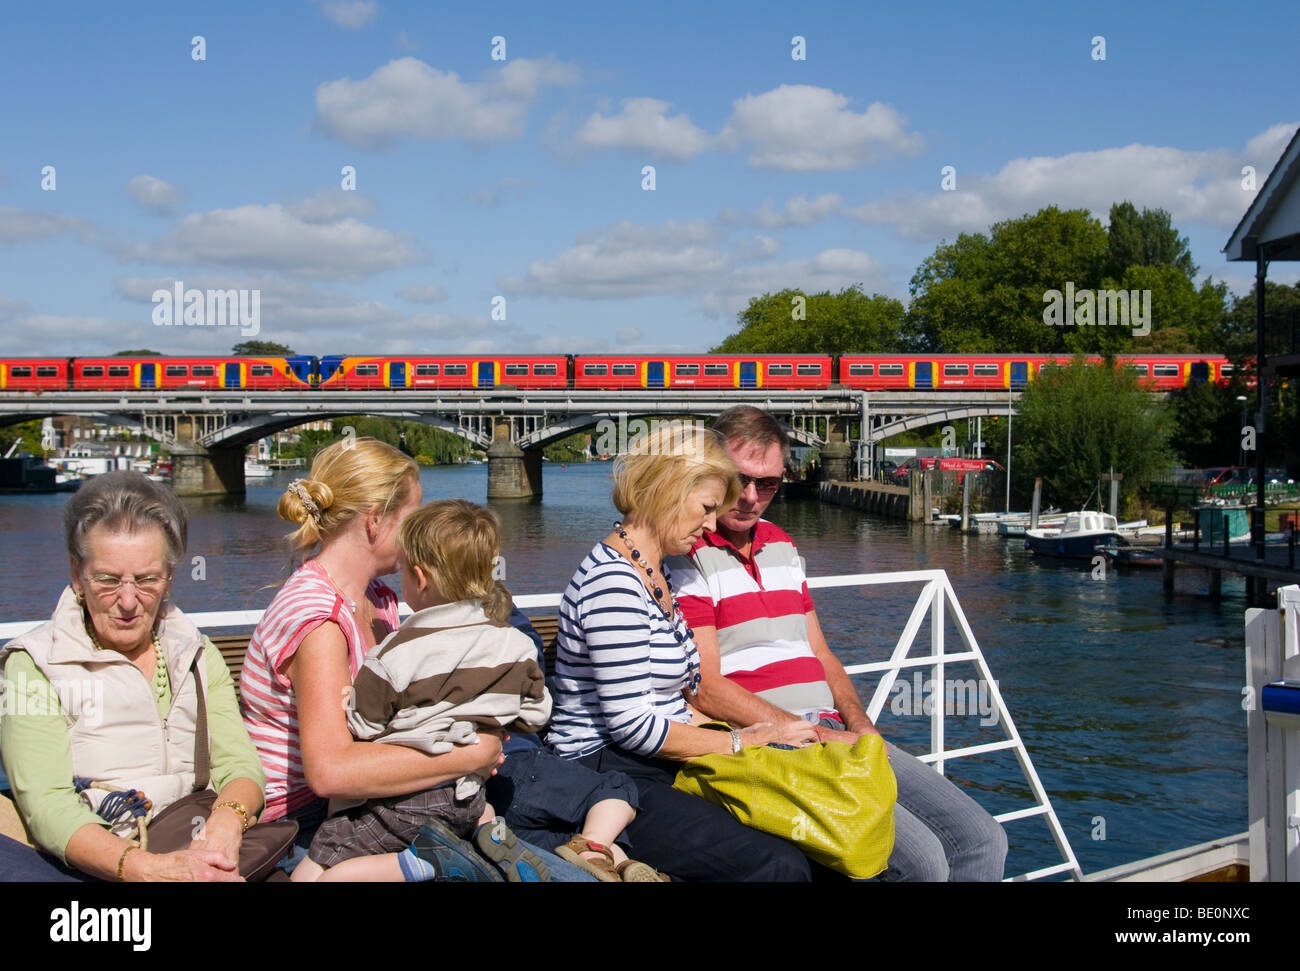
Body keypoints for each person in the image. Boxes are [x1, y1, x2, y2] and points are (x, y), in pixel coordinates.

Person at [669, 405, 1009, 882]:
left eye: (767, 484)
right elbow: (703, 687)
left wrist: (861, 725)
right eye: (737, 480)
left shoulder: (782, 545)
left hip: (834, 733)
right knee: (922, 863)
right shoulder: (688, 555)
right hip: (776, 743)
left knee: (982, 838)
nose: (750, 497)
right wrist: (807, 733)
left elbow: (821, 653)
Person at [239, 437, 594, 881]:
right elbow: (330, 772)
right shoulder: (320, 621)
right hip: (306, 825)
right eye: (415, 514)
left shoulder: (378, 597)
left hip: (383, 800)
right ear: (374, 522)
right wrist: (471, 755)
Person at [293, 499, 661, 882]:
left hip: (405, 798)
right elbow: (537, 715)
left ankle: (420, 864)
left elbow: (366, 726)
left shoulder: (394, 654)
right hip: (470, 798)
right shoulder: (513, 645)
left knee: (320, 864)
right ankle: (500, 842)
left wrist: (348, 705)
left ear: (419, 579)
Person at [546, 421, 820, 882]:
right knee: (779, 865)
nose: (712, 524)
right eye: (707, 507)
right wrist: (746, 739)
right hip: (606, 771)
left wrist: (771, 737)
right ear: (667, 489)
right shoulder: (614, 584)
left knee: (806, 831)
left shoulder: (655, 573)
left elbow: (674, 696)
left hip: (652, 759)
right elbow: (631, 725)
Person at [0, 471, 265, 882]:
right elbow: (48, 804)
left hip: (199, 843)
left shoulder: (197, 654)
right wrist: (148, 869)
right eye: (107, 579)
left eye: (146, 580)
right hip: (102, 867)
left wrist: (224, 828)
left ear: (170, 577)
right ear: (76, 573)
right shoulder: (33, 665)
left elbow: (240, 766)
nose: (127, 601)